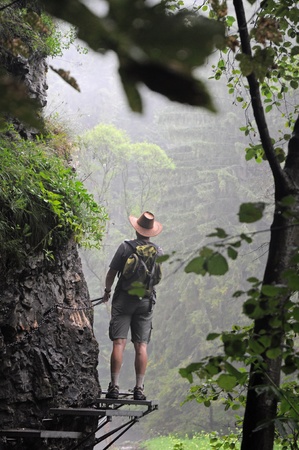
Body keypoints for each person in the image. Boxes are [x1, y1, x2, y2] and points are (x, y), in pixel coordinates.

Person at [102, 211, 163, 401]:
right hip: (145, 302)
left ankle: (114, 387)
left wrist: (107, 291)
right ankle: (139, 389)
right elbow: (157, 278)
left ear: (136, 229)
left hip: (123, 300)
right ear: (151, 232)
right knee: (141, 346)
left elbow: (111, 273)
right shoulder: (158, 251)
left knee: (119, 342)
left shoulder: (125, 247)